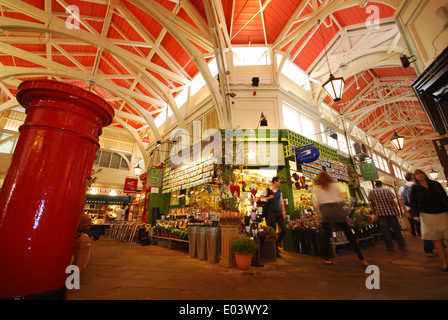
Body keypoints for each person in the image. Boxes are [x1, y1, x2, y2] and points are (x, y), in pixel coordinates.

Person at [313, 171, 369, 268]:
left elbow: (316, 203)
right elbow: (340, 200)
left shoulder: (317, 188)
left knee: (326, 237)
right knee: (349, 235)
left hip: (325, 212)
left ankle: (325, 259)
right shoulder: (334, 186)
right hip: (336, 210)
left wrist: (317, 214)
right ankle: (362, 259)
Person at [409, 169, 448, 272]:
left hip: (442, 213)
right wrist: (415, 215)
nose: (419, 176)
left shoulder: (435, 184)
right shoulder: (415, 188)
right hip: (427, 215)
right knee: (436, 239)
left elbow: (444, 196)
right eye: (416, 174)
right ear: (415, 177)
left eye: (420, 173)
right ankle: (445, 263)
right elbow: (413, 203)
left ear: (424, 174)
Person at [398, 173, 434, 256]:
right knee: (427, 226)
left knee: (420, 226)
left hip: (410, 209)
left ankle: (427, 245)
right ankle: (432, 245)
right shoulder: (418, 185)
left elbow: (402, 200)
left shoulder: (402, 188)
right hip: (423, 208)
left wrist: (406, 211)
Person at [368, 180, 406, 251]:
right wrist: (397, 210)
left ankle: (390, 247)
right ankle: (401, 244)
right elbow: (392, 201)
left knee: (385, 231)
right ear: (381, 184)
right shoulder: (387, 190)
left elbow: (372, 203)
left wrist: (374, 212)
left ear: (375, 185)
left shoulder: (371, 192)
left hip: (381, 214)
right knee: (397, 229)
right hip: (391, 212)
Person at [262, 176, 287, 258]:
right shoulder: (267, 190)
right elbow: (260, 199)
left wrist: (283, 211)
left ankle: (277, 243)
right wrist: (268, 197)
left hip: (278, 212)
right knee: (272, 231)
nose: (279, 183)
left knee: (284, 229)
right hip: (270, 213)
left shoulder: (280, 192)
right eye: (279, 182)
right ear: (275, 182)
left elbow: (281, 202)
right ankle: (274, 250)